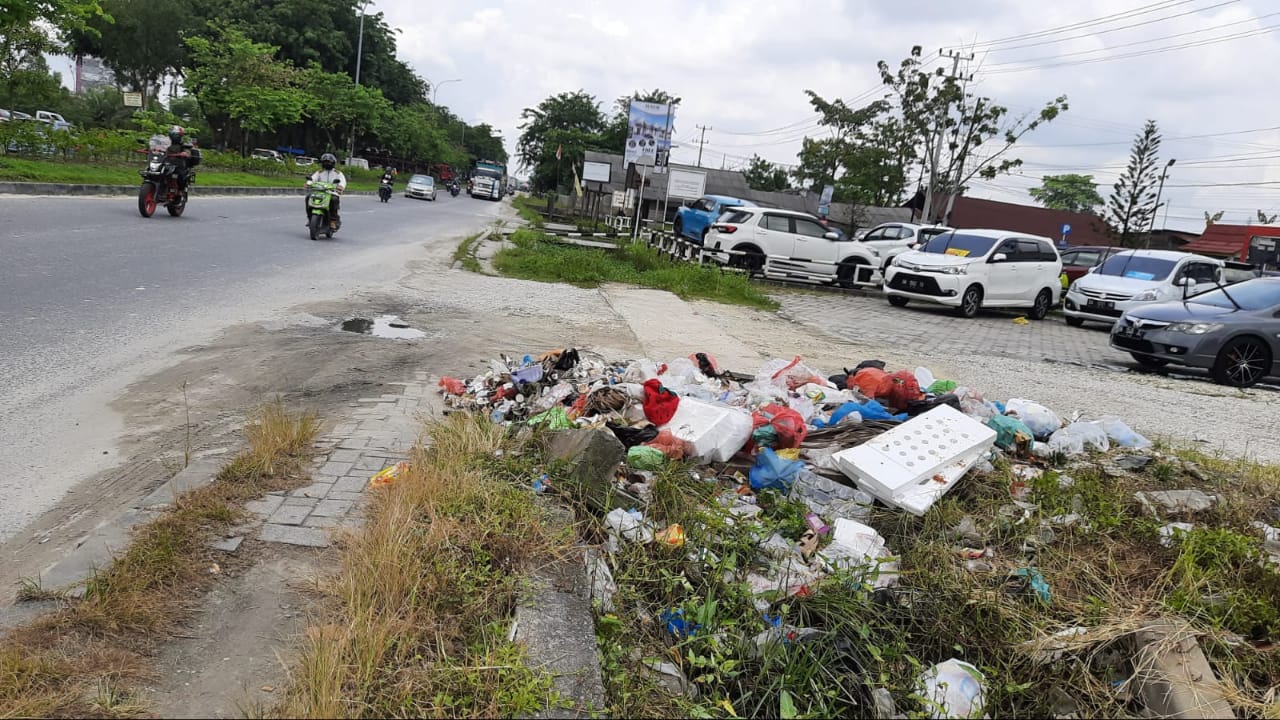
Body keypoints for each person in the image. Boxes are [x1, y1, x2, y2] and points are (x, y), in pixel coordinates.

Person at [304, 153, 346, 228]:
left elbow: (342, 181)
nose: (327, 164)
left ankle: (333, 221)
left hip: (332, 193)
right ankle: (309, 218)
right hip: (318, 192)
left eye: (329, 162)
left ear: (333, 163)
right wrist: (308, 183)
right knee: (308, 197)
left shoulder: (337, 173)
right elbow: (313, 178)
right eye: (325, 162)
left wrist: (340, 187)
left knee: (334, 199)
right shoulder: (319, 172)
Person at [164, 125, 197, 192]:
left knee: (181, 175)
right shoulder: (165, 143)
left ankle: (180, 191)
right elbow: (157, 148)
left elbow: (188, 152)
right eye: (174, 134)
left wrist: (185, 153)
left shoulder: (184, 144)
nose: (176, 136)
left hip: (177, 164)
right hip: (164, 163)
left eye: (178, 135)